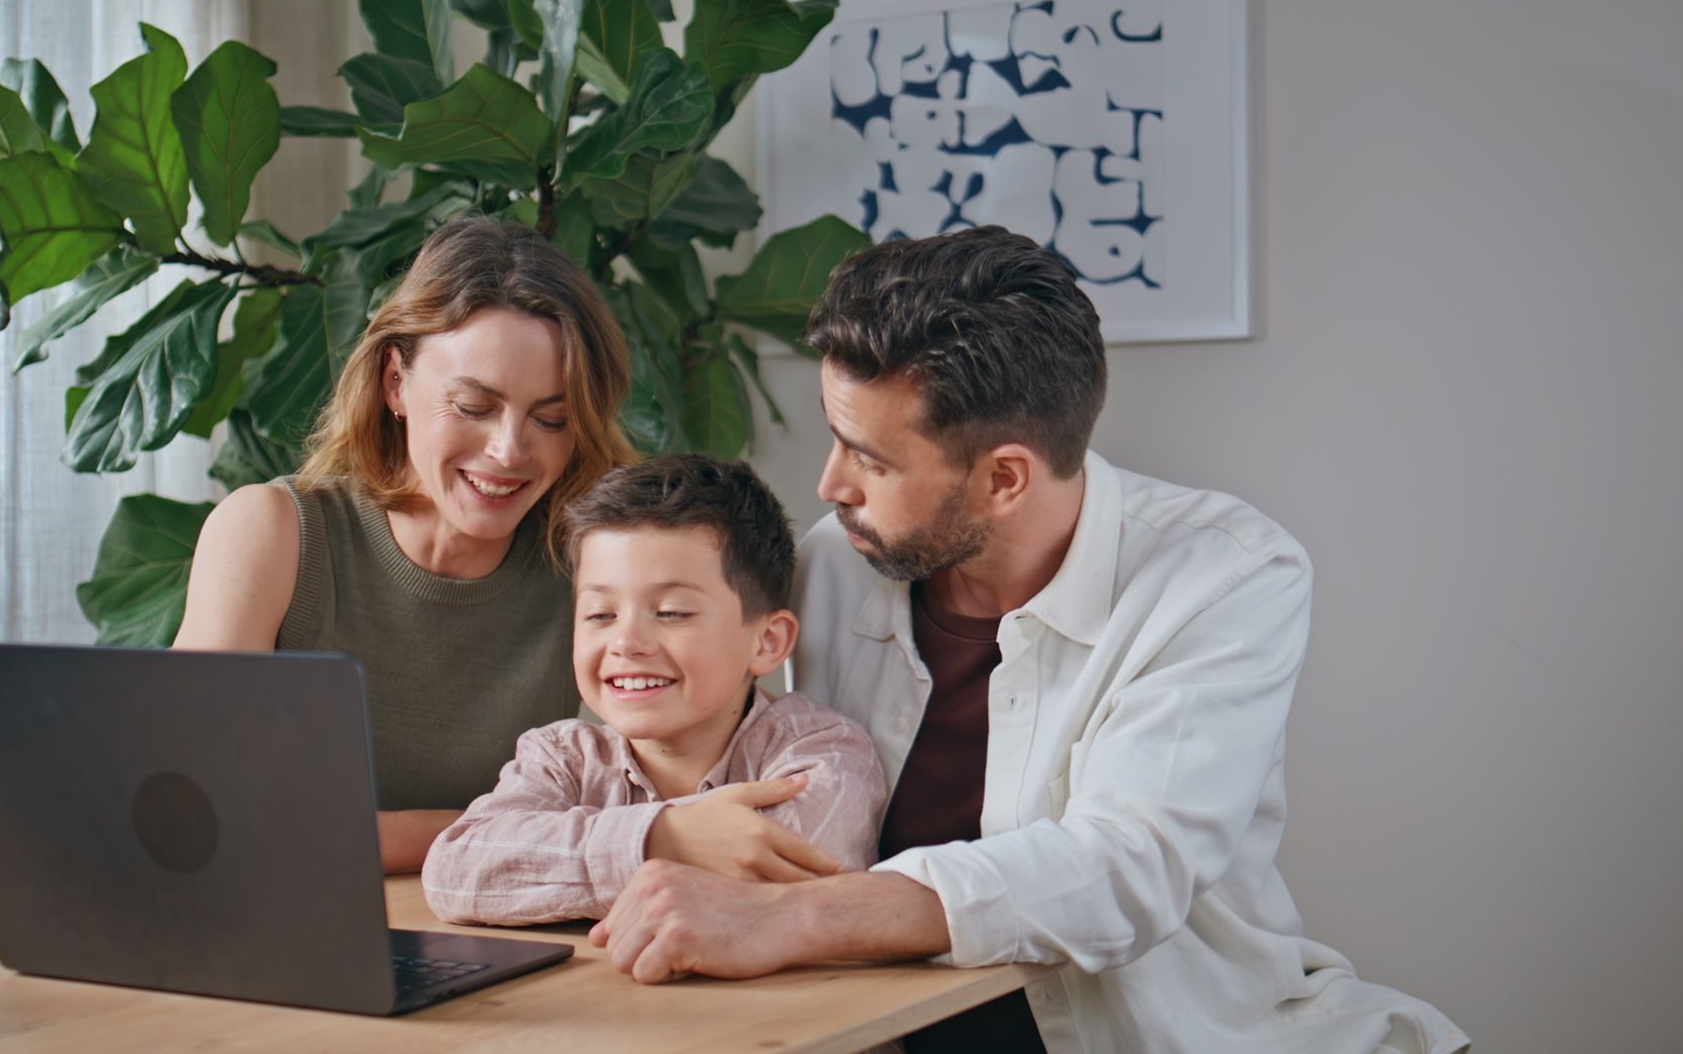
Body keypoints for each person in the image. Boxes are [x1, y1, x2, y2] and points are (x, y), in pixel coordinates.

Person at [587, 228, 1470, 1052]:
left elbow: (1128, 863)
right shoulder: (835, 565)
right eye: (835, 437)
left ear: (1005, 478)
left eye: (873, 460)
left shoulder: (1225, 575)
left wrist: (796, 917)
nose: (830, 485)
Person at [175, 217, 635, 874]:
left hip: (506, 936)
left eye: (551, 418)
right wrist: (510, 832)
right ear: (396, 382)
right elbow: (197, 800)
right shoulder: (273, 534)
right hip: (275, 932)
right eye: (474, 406)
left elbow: (676, 791)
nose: (509, 450)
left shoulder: (593, 562)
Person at [421, 454, 887, 925]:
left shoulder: (821, 752)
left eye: (672, 613)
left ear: (766, 642)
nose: (626, 643)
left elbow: (779, 883)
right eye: (601, 615)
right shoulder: (563, 756)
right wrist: (663, 836)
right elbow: (455, 872)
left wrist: (569, 860)